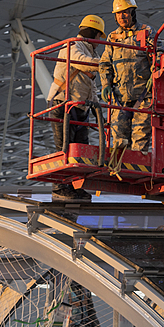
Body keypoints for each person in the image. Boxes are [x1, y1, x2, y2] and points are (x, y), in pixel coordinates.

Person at [47, 14, 105, 201]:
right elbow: (80, 61)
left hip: (80, 106)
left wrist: (98, 111)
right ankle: (59, 187)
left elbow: (92, 85)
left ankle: (74, 186)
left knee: (80, 150)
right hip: (63, 103)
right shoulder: (72, 46)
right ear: (94, 34)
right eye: (99, 37)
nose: (100, 41)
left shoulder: (92, 53)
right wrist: (104, 64)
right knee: (64, 146)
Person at [99, 0, 154, 155]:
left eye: (125, 12)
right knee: (118, 143)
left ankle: (138, 169)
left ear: (132, 13)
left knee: (140, 141)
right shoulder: (113, 37)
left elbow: (158, 56)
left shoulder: (146, 32)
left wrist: (154, 77)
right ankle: (119, 172)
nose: (122, 16)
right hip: (119, 99)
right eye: (118, 13)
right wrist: (105, 85)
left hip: (143, 98)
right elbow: (105, 63)